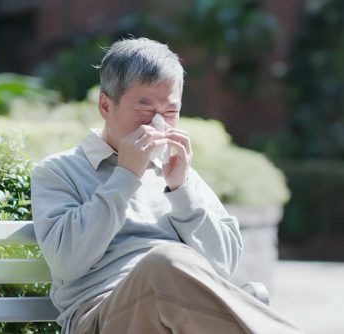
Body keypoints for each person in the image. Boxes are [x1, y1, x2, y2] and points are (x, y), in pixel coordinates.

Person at [31, 37, 301, 334]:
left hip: (178, 314)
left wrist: (182, 189)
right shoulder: (58, 171)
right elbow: (67, 263)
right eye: (145, 109)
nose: (158, 124)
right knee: (164, 262)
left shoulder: (178, 173)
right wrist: (125, 177)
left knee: (176, 269)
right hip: (101, 316)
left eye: (170, 112)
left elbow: (224, 265)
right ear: (106, 105)